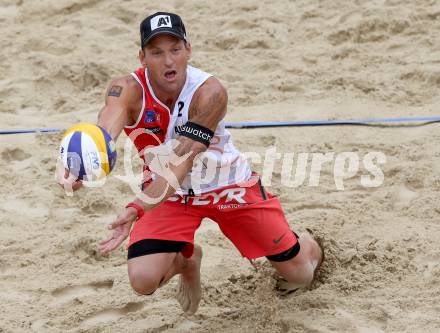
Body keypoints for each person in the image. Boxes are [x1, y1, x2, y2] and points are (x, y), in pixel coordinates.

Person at [58, 12, 323, 315]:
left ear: (188, 50)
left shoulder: (210, 92)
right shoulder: (126, 89)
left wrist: (136, 208)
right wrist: (79, 163)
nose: (168, 60)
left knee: (300, 274)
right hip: (170, 194)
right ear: (142, 57)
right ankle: (187, 260)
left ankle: (308, 244)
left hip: (227, 184)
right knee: (143, 279)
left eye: (175, 49)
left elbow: (179, 164)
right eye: (156, 52)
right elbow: (104, 131)